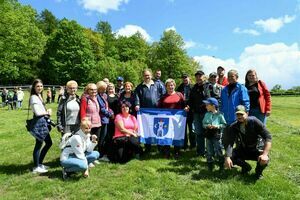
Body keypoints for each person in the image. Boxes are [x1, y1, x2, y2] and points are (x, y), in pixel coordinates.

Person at [224, 105, 272, 179]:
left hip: (256, 149)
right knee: (230, 156)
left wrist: (265, 154)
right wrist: (227, 157)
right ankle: (246, 167)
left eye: (241, 114)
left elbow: (268, 137)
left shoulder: (254, 121)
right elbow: (230, 143)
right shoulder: (234, 126)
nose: (239, 116)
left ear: (247, 113)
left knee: (265, 159)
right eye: (237, 114)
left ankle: (258, 172)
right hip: (244, 149)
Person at [135, 69, 166, 153]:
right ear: (143, 76)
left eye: (148, 75)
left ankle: (160, 147)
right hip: (145, 113)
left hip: (157, 111)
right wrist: (137, 104)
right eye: (145, 75)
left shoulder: (158, 85)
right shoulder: (139, 87)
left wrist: (163, 106)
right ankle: (147, 147)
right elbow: (137, 97)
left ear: (151, 75)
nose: (147, 77)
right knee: (147, 129)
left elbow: (164, 96)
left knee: (158, 129)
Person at [158, 78, 187, 159]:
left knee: (176, 134)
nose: (170, 87)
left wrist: (186, 109)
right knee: (166, 134)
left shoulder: (179, 95)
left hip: (177, 119)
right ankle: (167, 151)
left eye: (172, 85)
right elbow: (159, 107)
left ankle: (177, 151)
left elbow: (184, 105)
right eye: (168, 85)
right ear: (166, 87)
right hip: (166, 119)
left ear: (174, 86)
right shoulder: (163, 96)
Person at [29, 79, 53, 173]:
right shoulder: (33, 97)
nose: (40, 88)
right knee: (38, 144)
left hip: (43, 123)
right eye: (37, 86)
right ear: (34, 87)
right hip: (39, 124)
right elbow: (37, 112)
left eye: (41, 86)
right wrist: (47, 112)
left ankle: (40, 163)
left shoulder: (39, 96)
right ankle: (36, 167)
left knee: (48, 143)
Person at [202, 97, 226, 171]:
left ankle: (221, 164)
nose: (206, 106)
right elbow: (203, 123)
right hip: (208, 135)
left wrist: (217, 126)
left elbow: (224, 124)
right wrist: (207, 126)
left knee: (218, 150)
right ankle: (210, 164)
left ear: (213, 106)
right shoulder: (207, 114)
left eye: (207, 105)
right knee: (209, 151)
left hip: (216, 135)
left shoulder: (220, 115)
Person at [80, 83, 101, 166]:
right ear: (87, 90)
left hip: (97, 123)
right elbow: (82, 111)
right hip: (88, 124)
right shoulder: (85, 99)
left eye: (95, 89)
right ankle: (88, 160)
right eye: (91, 89)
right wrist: (84, 123)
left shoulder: (96, 98)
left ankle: (93, 157)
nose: (94, 91)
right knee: (88, 143)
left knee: (95, 141)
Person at [187, 70, 208, 157]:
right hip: (196, 113)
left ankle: (210, 151)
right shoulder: (193, 88)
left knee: (208, 133)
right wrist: (189, 106)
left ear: (203, 77)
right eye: (197, 76)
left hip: (206, 113)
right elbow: (190, 100)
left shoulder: (207, 86)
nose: (198, 78)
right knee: (199, 133)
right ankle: (200, 151)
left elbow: (210, 98)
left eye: (200, 76)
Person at [96, 81, 114, 162]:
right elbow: (102, 108)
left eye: (104, 89)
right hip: (102, 119)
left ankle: (103, 153)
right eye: (102, 89)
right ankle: (100, 154)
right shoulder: (97, 96)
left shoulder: (104, 95)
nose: (104, 90)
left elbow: (107, 107)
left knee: (106, 137)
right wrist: (110, 114)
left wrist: (111, 112)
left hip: (106, 119)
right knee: (101, 138)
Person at [177, 73, 195, 150]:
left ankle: (193, 145)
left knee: (192, 129)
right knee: (183, 129)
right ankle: (184, 145)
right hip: (182, 111)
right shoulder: (179, 87)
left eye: (186, 77)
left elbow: (194, 98)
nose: (184, 79)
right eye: (183, 78)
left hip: (191, 110)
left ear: (189, 78)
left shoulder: (193, 87)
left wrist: (189, 106)